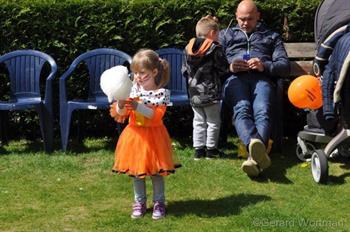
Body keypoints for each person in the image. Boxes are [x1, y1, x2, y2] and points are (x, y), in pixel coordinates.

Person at [219, 0, 290, 177]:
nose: (245, 23)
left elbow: (284, 66)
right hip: (235, 79)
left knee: (263, 110)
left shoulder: (271, 36)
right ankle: (256, 149)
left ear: (258, 16)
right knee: (242, 109)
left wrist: (264, 65)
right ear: (236, 16)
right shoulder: (225, 35)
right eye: (241, 19)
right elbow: (213, 64)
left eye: (249, 19)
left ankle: (253, 158)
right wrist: (229, 67)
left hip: (262, 79)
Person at [110, 49, 180, 220]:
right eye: (135, 73)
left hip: (154, 137)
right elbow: (121, 115)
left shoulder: (161, 94)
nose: (138, 77)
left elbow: (155, 116)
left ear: (154, 72)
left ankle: (159, 203)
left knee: (156, 172)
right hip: (134, 137)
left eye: (142, 73)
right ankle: (139, 203)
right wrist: (120, 102)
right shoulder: (131, 91)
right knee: (136, 172)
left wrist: (137, 106)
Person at [182, 15, 230, 160]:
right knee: (213, 121)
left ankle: (198, 151)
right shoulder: (215, 48)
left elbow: (184, 71)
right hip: (211, 92)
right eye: (218, 33)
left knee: (198, 121)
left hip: (194, 92)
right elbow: (223, 69)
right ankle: (211, 150)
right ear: (212, 33)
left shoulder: (187, 48)